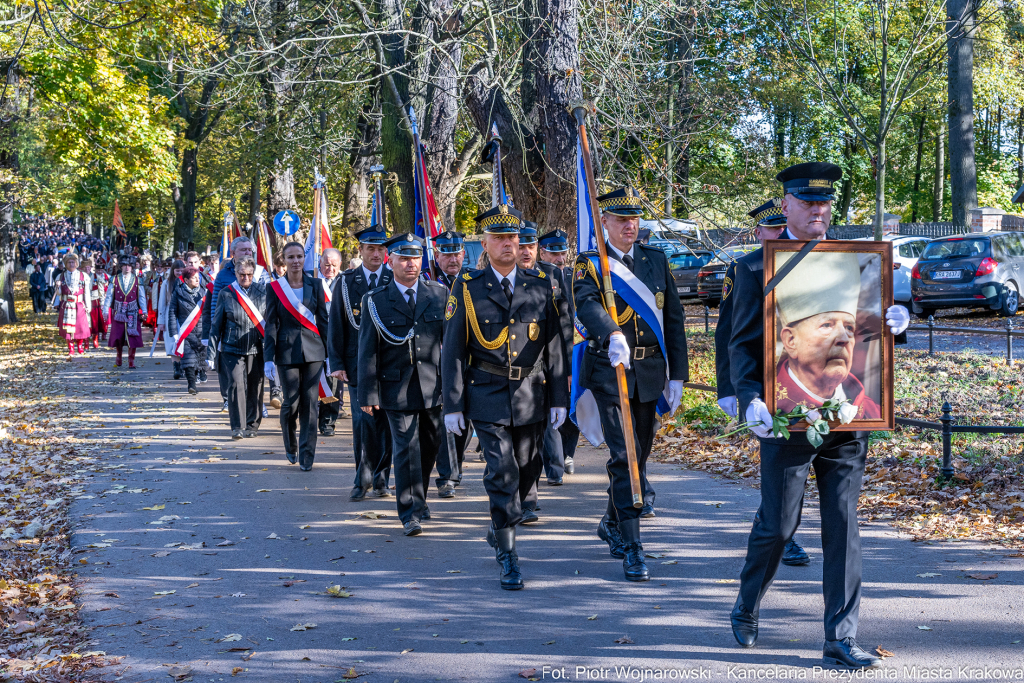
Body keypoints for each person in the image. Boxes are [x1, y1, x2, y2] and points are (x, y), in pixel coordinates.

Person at [726, 162, 910, 669]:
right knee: (779, 525)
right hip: (784, 415)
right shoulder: (753, 267)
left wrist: (898, 323)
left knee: (843, 525)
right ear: (784, 204)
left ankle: (840, 637)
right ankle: (747, 603)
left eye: (825, 203)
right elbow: (740, 347)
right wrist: (749, 398)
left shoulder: (856, 261)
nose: (818, 211)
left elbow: (872, 332)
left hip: (849, 418)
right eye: (808, 203)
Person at [441, 203, 568, 590]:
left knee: (528, 471)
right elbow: (453, 350)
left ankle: (501, 526)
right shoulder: (467, 288)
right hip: (487, 393)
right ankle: (508, 553)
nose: (508, 245)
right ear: (485, 243)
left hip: (531, 393)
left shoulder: (541, 285)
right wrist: (452, 404)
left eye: (513, 238)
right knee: (501, 471)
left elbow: (555, 348)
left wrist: (560, 398)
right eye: (499, 238)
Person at [572, 187, 688, 582]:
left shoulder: (655, 261)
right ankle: (633, 544)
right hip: (610, 373)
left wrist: (678, 375)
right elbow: (584, 302)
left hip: (651, 373)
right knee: (625, 458)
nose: (629, 226)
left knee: (638, 456)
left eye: (634, 219)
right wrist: (610, 332)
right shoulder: (591, 263)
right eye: (621, 219)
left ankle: (610, 521)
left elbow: (673, 319)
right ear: (604, 221)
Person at [716, 199, 809, 567]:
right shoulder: (747, 269)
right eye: (770, 229)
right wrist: (730, 388)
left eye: (779, 227)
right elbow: (729, 332)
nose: (777, 234)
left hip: (801, 379)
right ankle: (780, 534)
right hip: (763, 384)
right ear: (759, 233)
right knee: (781, 464)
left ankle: (777, 529)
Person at [358, 234, 448, 536]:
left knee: (431, 444)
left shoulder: (438, 294)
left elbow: (449, 344)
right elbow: (367, 350)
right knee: (405, 448)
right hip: (395, 388)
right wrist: (368, 393)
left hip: (433, 386)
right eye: (404, 258)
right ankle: (410, 513)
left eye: (416, 258)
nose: (411, 264)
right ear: (391, 260)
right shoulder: (375, 300)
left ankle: (419, 496)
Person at [328, 226, 394, 498]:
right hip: (357, 365)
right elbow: (337, 325)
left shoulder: (395, 277)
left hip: (391, 364)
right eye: (371, 248)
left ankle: (381, 479)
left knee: (388, 424)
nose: (376, 254)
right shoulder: (346, 282)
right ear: (361, 250)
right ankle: (361, 477)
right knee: (362, 423)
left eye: (381, 249)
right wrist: (337, 362)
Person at [264, 242, 331, 471]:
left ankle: (307, 455)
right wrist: (268, 358)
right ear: (284, 259)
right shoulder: (275, 288)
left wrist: (331, 355)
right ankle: (290, 444)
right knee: (290, 404)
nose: (295, 261)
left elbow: (323, 320)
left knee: (311, 404)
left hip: (314, 352)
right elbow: (271, 324)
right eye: (291, 257)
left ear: (305, 258)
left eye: (299, 256)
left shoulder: (316, 284)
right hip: (286, 352)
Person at [520, 223, 573, 493]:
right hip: (520, 364)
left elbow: (565, 321)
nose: (525, 251)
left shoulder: (553, 275)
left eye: (529, 245)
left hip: (549, 360)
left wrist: (566, 362)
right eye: (521, 245)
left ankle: (555, 467)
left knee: (552, 416)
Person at [431, 230, 471, 498]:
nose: (452, 259)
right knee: (444, 418)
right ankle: (448, 475)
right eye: (446, 254)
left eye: (456, 253)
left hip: (469, 362)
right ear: (436, 256)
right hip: (436, 364)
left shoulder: (472, 282)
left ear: (463, 254)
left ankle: (454, 465)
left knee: (466, 419)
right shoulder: (427, 284)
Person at [209, 239, 271, 411]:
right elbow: (215, 303)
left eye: (250, 250)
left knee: (254, 377)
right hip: (231, 332)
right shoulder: (223, 274)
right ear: (233, 253)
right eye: (243, 250)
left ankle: (257, 405)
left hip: (255, 332)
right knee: (234, 376)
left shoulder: (261, 272)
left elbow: (268, 302)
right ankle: (232, 402)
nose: (247, 253)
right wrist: (216, 331)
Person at [538, 228, 579, 476]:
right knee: (550, 406)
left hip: (574, 350)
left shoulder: (575, 277)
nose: (560, 258)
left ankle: (568, 453)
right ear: (542, 252)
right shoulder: (538, 277)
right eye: (554, 253)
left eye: (563, 252)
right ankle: (553, 461)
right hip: (549, 352)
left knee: (572, 404)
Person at [169, 266, 209, 395]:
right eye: (194, 278)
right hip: (186, 332)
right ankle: (191, 384)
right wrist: (174, 332)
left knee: (200, 359)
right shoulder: (178, 292)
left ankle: (200, 375)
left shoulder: (205, 292)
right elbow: (172, 312)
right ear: (186, 280)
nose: (198, 280)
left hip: (203, 331)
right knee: (188, 360)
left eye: (198, 277)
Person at [317, 248, 344, 436]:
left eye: (334, 265)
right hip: (314, 341)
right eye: (327, 264)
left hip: (337, 342)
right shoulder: (311, 281)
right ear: (320, 263)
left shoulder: (346, 282)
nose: (330, 268)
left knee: (332, 384)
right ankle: (310, 417)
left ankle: (328, 422)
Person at [103, 254, 146, 368]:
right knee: (118, 336)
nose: (127, 268)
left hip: (133, 312)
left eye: (129, 266)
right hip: (119, 313)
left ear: (132, 267)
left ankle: (131, 360)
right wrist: (105, 311)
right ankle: (119, 355)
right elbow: (109, 296)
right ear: (121, 266)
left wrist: (144, 311)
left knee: (133, 337)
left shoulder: (138, 280)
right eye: (124, 265)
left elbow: (141, 297)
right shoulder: (114, 279)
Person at [55, 253, 92, 356]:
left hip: (79, 304)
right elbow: (58, 293)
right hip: (66, 305)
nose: (71, 264)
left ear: (76, 263)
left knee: (80, 326)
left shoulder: (83, 275)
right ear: (66, 264)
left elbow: (86, 292)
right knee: (67, 328)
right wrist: (57, 287)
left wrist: (88, 305)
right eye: (69, 262)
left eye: (73, 262)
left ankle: (80, 346)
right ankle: (71, 348)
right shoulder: (60, 276)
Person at [159, 259, 187, 378]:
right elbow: (162, 303)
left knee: (184, 341)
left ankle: (184, 366)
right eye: (177, 270)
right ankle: (176, 367)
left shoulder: (187, 281)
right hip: (170, 315)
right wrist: (161, 321)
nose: (179, 273)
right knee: (172, 342)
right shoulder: (166, 283)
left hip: (184, 315)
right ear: (173, 271)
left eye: (181, 270)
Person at [81, 258, 107, 348]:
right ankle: (86, 341)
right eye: (85, 268)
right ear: (82, 268)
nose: (87, 269)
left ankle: (95, 339)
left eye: (88, 267)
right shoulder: (80, 277)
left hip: (94, 301)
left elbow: (101, 291)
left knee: (94, 322)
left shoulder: (96, 277)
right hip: (83, 301)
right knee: (85, 322)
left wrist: (102, 302)